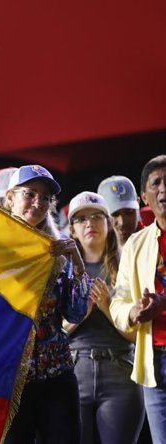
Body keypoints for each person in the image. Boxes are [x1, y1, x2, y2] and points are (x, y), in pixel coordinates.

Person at [2, 165, 89, 443]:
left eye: (45, 197)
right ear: (10, 198)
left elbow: (74, 312)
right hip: (10, 381)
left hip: (57, 378)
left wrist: (77, 265)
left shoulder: (57, 250)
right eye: (29, 194)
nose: (38, 202)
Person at [63, 191, 144, 443]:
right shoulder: (61, 270)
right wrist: (81, 313)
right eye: (81, 219)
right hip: (74, 371)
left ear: (109, 224)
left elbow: (135, 336)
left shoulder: (128, 267)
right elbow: (53, 333)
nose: (90, 223)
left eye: (97, 216)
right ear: (72, 230)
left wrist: (107, 306)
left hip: (120, 370)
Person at [109, 155, 166, 442]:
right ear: (145, 197)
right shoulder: (137, 245)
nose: (164, 189)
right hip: (154, 366)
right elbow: (118, 302)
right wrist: (132, 313)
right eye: (156, 183)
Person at [98, 175, 142, 248]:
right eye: (114, 214)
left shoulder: (155, 242)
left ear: (138, 203)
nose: (122, 222)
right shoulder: (94, 251)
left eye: (129, 212)